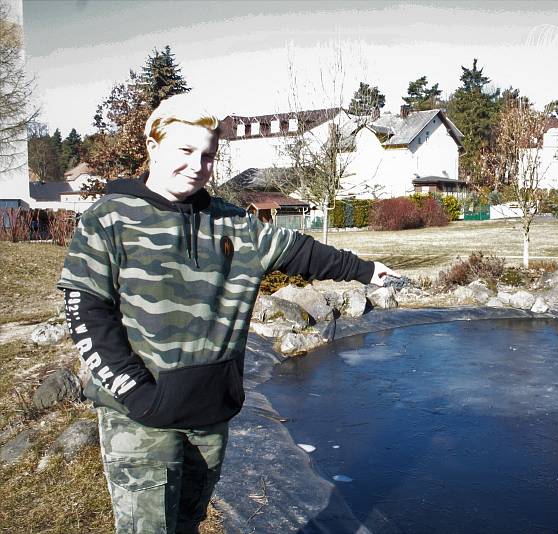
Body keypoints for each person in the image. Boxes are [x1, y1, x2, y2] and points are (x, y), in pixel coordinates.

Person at [58, 93, 397, 533]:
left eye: (208, 155)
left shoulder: (233, 223)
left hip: (210, 413)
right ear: (152, 145)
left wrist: (367, 270)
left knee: (189, 522)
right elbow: (86, 313)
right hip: (141, 418)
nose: (197, 166)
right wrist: (138, 394)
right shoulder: (109, 220)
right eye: (185, 151)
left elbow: (300, 251)